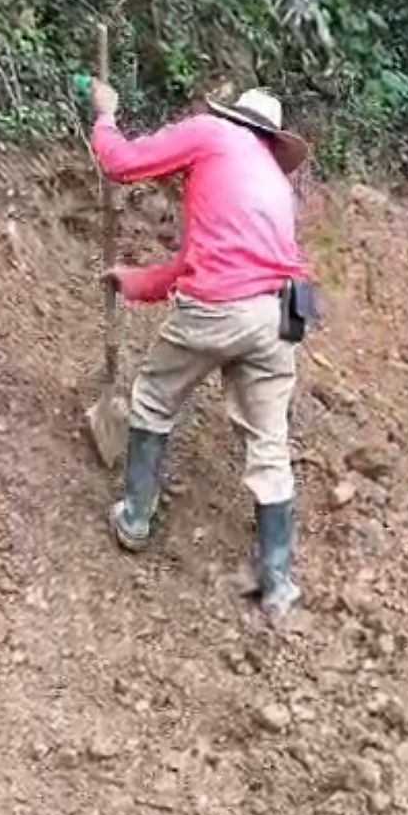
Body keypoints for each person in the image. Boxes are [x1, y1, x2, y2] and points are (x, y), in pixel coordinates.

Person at [90, 80, 311, 622]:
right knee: (269, 442)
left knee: (154, 397)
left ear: (234, 119)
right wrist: (135, 282)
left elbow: (120, 162)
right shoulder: (274, 185)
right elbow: (199, 261)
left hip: (218, 309)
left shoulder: (212, 133)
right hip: (275, 317)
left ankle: (136, 517)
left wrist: (104, 115)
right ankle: (277, 582)